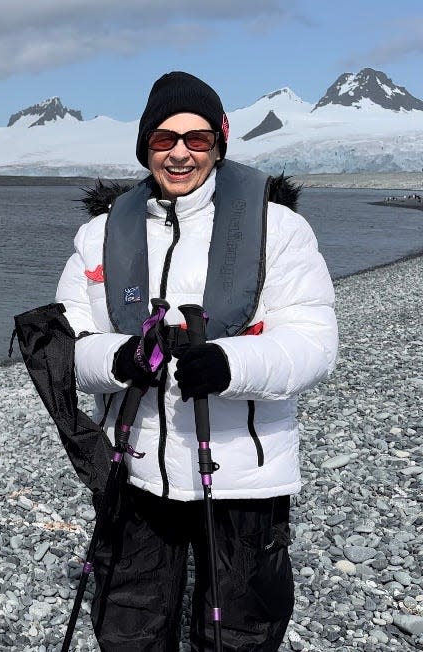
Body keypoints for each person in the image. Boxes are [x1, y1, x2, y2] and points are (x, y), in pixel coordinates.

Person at [55, 71, 337, 650]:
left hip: (243, 473)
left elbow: (314, 342)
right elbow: (69, 348)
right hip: (133, 472)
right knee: (127, 626)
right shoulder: (100, 235)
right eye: (164, 139)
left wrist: (230, 365)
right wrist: (120, 357)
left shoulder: (278, 229)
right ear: (145, 146)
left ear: (220, 142)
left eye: (198, 139)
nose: (180, 153)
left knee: (239, 632)